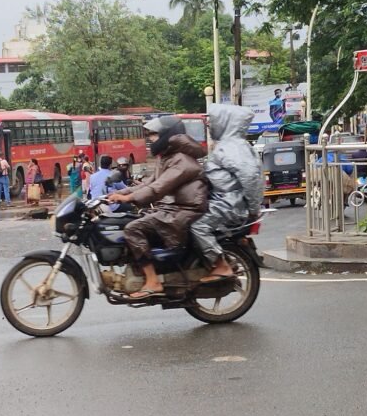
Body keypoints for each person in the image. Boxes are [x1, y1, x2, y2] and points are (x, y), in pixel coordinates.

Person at [106, 116, 208, 299]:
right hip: (173, 207)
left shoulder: (182, 161)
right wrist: (117, 194)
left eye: (154, 135)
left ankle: (153, 281)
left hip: (185, 210)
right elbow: (148, 183)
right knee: (134, 219)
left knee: (132, 229)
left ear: (168, 135)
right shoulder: (167, 158)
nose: (151, 139)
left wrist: (128, 198)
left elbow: (158, 188)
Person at [191, 104, 264, 284]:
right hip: (223, 200)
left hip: (229, 204)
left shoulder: (233, 147)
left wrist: (253, 208)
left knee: (197, 225)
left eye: (213, 120)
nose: (209, 125)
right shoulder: (228, 145)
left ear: (225, 121)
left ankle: (221, 265)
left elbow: (250, 177)